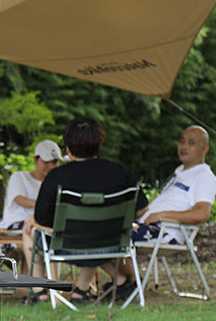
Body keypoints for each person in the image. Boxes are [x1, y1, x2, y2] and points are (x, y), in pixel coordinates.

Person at [23, 117, 148, 304]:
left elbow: (43, 220)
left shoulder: (56, 177)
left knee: (30, 229)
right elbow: (142, 209)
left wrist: (33, 219)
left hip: (66, 245)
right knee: (96, 231)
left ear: (68, 147)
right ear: (99, 143)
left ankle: (40, 292)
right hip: (110, 244)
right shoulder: (121, 172)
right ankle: (81, 291)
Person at [105, 125, 216, 295]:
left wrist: (163, 215)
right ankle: (126, 281)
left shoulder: (204, 177)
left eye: (191, 143)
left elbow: (202, 214)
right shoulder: (179, 172)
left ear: (205, 149)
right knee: (98, 227)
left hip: (166, 231)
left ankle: (131, 282)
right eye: (182, 141)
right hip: (147, 225)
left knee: (105, 233)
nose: (184, 146)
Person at [0, 140, 62, 275]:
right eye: (46, 162)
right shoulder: (20, 177)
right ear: (36, 159)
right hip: (16, 225)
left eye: (55, 162)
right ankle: (38, 285)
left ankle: (18, 254)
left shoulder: (57, 182)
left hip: (42, 225)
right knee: (32, 229)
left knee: (37, 231)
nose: (51, 166)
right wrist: (44, 206)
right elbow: (19, 199)